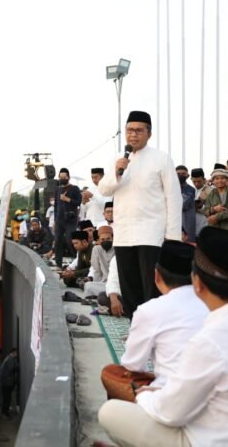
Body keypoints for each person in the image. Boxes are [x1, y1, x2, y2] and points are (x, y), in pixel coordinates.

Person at [98, 227, 228, 446]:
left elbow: (170, 413)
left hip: (213, 439)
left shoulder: (212, 340)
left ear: (197, 282)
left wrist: (144, 395)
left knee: (110, 411)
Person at [98, 111, 182, 317]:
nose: (133, 135)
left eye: (138, 130)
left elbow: (174, 198)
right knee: (130, 290)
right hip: (125, 234)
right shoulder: (119, 160)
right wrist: (117, 172)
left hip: (151, 234)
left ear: (149, 133)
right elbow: (103, 189)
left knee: (152, 290)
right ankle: (137, 333)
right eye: (129, 130)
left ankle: (156, 335)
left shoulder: (161, 159)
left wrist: (172, 239)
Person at [103, 240, 208, 395]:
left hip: (171, 398)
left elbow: (132, 365)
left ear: (156, 276)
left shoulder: (149, 310)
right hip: (215, 396)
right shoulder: (213, 306)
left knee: (111, 374)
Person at [54, 168, 82, 266]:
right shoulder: (58, 189)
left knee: (70, 240)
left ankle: (77, 261)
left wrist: (67, 199)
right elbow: (56, 205)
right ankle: (58, 265)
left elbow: (79, 202)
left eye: (64, 177)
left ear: (68, 177)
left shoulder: (75, 188)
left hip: (70, 220)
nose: (62, 179)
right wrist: (55, 220)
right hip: (59, 220)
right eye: (60, 177)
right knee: (57, 242)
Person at [204, 164, 228, 232]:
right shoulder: (211, 194)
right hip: (215, 228)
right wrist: (213, 209)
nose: (220, 181)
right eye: (217, 178)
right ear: (213, 181)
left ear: (227, 180)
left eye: (222, 178)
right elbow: (205, 211)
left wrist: (216, 217)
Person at [175, 165, 197, 243]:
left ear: (187, 175)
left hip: (186, 222)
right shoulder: (169, 188)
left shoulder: (191, 190)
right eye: (178, 174)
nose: (180, 175)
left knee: (187, 246)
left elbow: (184, 205)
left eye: (183, 174)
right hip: (173, 222)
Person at [0, 349, 19, 418]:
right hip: (7, 383)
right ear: (13, 353)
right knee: (6, 398)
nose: (17, 354)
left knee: (7, 398)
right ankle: (5, 412)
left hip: (8, 382)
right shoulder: (9, 359)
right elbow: (12, 368)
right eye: (16, 353)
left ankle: (5, 411)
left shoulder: (10, 358)